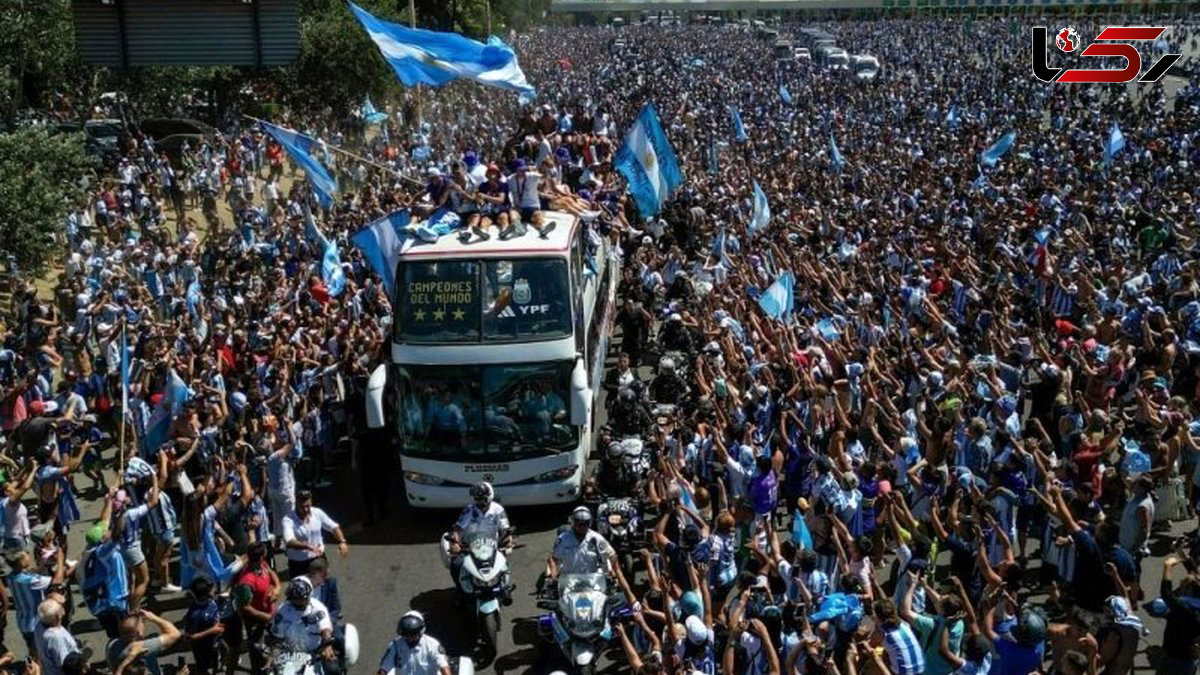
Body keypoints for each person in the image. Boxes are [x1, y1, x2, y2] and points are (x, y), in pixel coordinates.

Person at [269, 578, 338, 675]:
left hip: (315, 653)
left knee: (333, 670)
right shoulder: (283, 611)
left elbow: (325, 629)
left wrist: (327, 646)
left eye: (302, 600)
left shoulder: (318, 608)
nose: (299, 603)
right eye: (295, 601)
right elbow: (277, 638)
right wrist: (273, 656)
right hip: (290, 655)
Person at [282, 490, 348, 578]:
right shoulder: (288, 519)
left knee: (324, 586)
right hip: (298, 562)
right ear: (296, 503)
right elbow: (289, 541)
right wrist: (307, 547)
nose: (305, 509)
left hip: (318, 558)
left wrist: (342, 541)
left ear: (311, 502)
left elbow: (334, 527)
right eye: (302, 507)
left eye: (308, 506)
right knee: (301, 589)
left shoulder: (317, 513)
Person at [105, 609, 183, 675]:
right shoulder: (140, 647)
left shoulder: (112, 644)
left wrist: (123, 665)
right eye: (142, 622)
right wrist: (153, 617)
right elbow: (175, 634)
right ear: (138, 632)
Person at [549, 506, 616, 579]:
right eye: (579, 524)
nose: (582, 527)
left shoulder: (597, 538)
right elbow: (553, 559)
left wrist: (612, 572)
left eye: (585, 524)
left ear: (589, 523)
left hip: (592, 581)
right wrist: (554, 574)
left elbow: (612, 555)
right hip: (569, 581)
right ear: (574, 523)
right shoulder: (563, 539)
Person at [376, 612, 450, 675]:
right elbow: (383, 669)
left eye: (412, 635)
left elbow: (443, 667)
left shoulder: (432, 645)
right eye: (406, 635)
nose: (409, 638)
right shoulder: (395, 645)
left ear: (420, 632)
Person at [34, 598, 79, 675]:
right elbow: (64, 662)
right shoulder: (55, 637)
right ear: (57, 617)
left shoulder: (39, 625)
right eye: (60, 609)